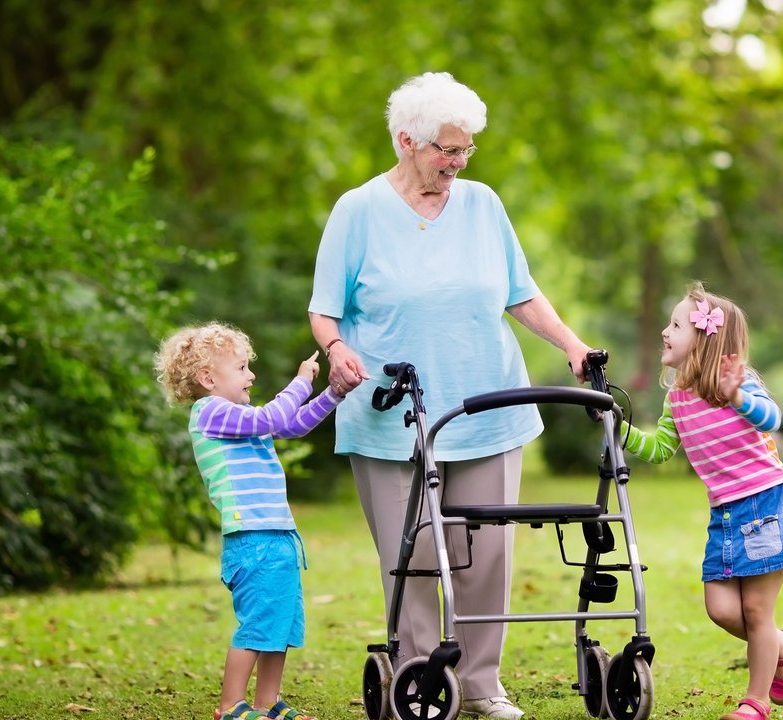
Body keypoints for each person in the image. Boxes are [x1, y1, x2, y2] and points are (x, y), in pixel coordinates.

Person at [307, 71, 590, 720]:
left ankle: (483, 682)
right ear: (407, 141)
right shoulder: (358, 210)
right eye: (447, 151)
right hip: (391, 414)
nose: (458, 163)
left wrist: (571, 345)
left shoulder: (483, 204)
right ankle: (421, 682)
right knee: (410, 560)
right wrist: (337, 350)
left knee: (486, 554)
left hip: (488, 404)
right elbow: (325, 311)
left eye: (466, 150)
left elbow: (520, 291)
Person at [619, 282, 783, 720]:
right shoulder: (675, 399)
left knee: (755, 610)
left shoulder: (739, 385)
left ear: (704, 338)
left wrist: (736, 396)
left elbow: (773, 418)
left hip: (767, 504)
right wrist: (618, 429)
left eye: (675, 324)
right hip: (725, 513)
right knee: (721, 609)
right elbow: (659, 450)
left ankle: (756, 702)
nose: (664, 331)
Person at [153, 322, 348, 720]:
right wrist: (300, 382)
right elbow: (273, 419)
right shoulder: (209, 413)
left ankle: (267, 703)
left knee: (279, 624)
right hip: (252, 539)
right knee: (258, 622)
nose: (251, 375)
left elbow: (292, 424)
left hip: (276, 535)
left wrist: (334, 393)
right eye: (242, 368)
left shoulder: (238, 416)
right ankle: (230, 706)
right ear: (208, 379)